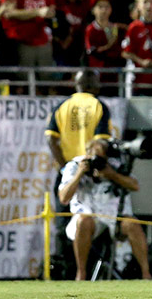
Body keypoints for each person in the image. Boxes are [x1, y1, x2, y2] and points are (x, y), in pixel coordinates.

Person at [45, 69, 113, 272]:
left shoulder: (62, 106)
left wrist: (67, 166)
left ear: (77, 85)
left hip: (69, 171)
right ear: (95, 86)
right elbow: (102, 142)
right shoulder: (98, 106)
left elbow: (51, 139)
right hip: (91, 173)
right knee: (93, 221)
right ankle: (88, 269)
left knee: (62, 222)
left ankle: (63, 268)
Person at [58, 138, 151, 281]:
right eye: (95, 157)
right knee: (84, 221)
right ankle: (81, 273)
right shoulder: (75, 165)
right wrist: (80, 174)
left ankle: (146, 274)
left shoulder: (112, 165)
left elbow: (135, 185)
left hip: (112, 215)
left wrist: (111, 174)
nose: (97, 162)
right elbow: (63, 198)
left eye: (102, 157)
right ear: (87, 154)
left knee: (132, 224)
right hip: (87, 214)